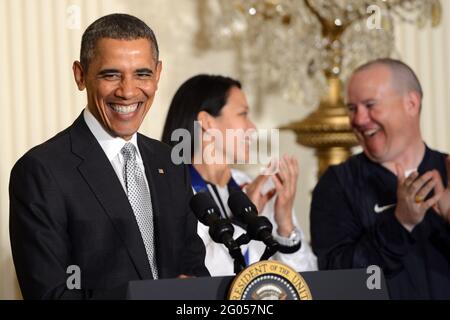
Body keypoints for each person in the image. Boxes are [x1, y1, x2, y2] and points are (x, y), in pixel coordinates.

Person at [9, 13, 208, 300]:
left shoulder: (170, 162)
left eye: (142, 74)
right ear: (80, 75)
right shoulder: (42, 171)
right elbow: (49, 294)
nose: (127, 91)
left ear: (158, 74)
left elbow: (193, 273)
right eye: (111, 74)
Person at [310, 58, 450, 299]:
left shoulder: (447, 169)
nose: (359, 120)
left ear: (411, 104)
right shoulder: (337, 185)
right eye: (352, 108)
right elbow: (336, 282)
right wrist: (400, 224)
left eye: (370, 105)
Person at [161, 74, 317, 276]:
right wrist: (243, 224)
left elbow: (306, 281)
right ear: (207, 121)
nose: (252, 128)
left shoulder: (258, 188)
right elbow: (194, 277)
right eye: (243, 114)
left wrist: (285, 224)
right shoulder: (169, 193)